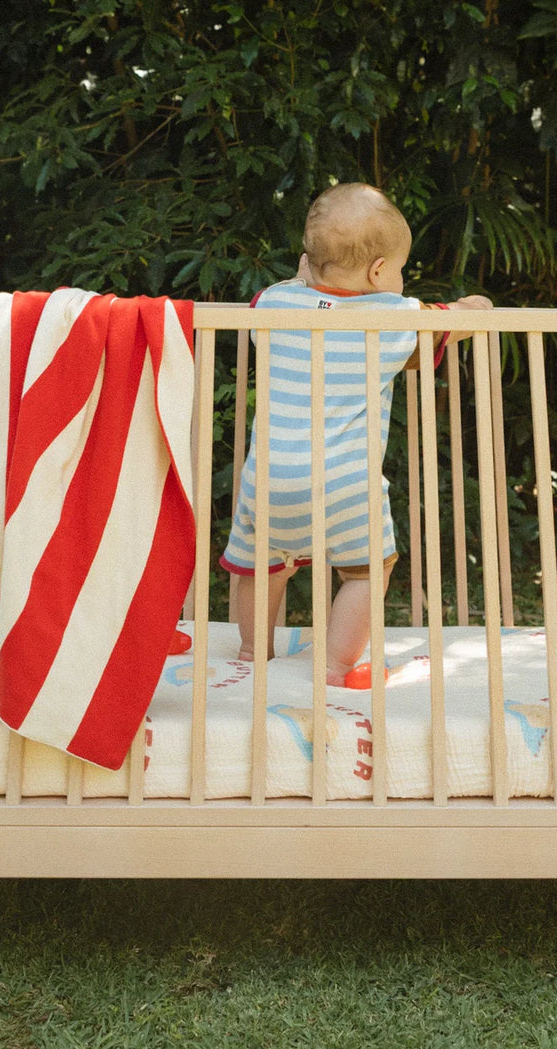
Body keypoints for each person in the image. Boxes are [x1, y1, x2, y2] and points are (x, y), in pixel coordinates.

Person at [220, 182, 493, 685]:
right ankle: (333, 664)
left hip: (270, 480)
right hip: (345, 484)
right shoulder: (392, 318)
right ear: (376, 271)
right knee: (368, 571)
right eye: (399, 268)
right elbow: (452, 322)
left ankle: (253, 650)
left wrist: (302, 281)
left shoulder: (274, 303)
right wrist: (477, 307)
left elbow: (278, 294)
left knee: (263, 567)